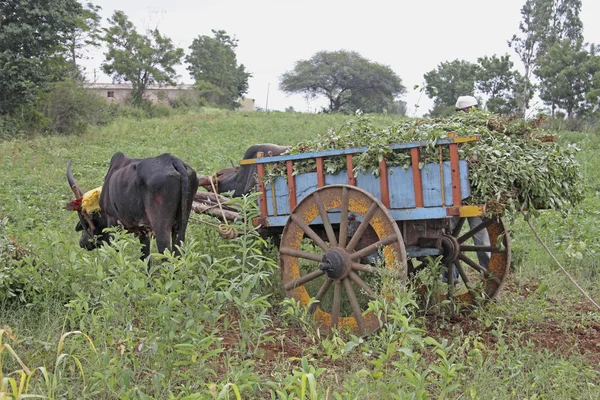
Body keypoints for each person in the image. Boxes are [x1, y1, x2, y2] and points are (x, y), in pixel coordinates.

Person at [451, 95, 491, 269]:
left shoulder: (483, 131)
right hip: (453, 194)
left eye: (468, 110)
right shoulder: (451, 130)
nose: (466, 114)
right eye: (463, 111)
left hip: (473, 193)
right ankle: (450, 274)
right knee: (448, 238)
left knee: (480, 238)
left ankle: (487, 273)